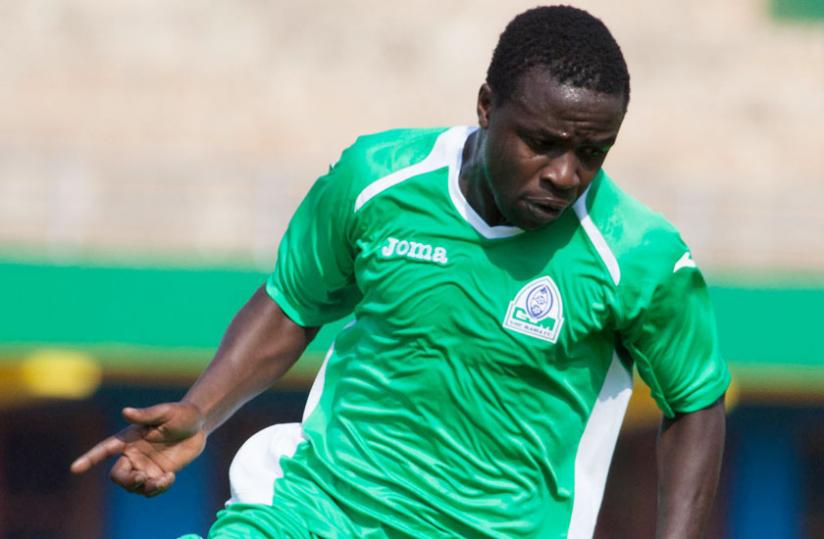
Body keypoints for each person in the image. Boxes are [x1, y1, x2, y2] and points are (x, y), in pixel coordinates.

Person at [71, 6, 730, 538]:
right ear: (486, 106)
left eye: (592, 152)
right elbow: (293, 303)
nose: (565, 174)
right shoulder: (377, 181)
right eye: (542, 142)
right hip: (319, 510)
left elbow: (696, 403)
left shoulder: (638, 255)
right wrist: (201, 409)